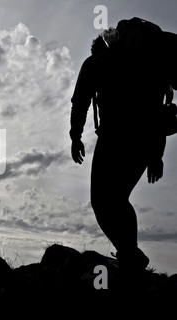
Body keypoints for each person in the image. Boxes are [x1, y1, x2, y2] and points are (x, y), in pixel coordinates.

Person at [70, 18, 175, 272]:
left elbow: (80, 102)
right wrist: (156, 155)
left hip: (114, 139)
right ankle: (131, 256)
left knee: (103, 201)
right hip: (145, 141)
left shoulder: (97, 63)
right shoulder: (151, 65)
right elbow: (156, 111)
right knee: (119, 199)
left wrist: (75, 136)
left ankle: (130, 255)